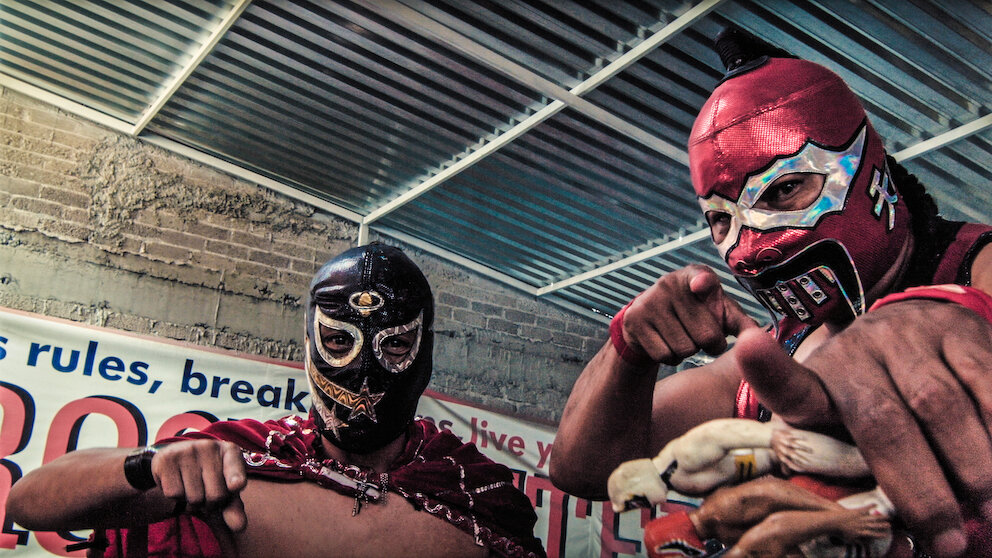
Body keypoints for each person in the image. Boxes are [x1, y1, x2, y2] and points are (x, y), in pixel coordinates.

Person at [550, 26, 992, 558]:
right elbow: (586, 470)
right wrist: (629, 345)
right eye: (721, 220)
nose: (748, 250)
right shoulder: (769, 359)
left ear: (873, 169)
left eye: (784, 189)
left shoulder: (976, 265)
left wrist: (952, 316)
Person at [6, 244, 547, 558]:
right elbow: (27, 503)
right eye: (337, 340)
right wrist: (148, 466)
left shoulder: (473, 489)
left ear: (423, 351)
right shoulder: (241, 458)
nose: (364, 370)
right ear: (310, 344)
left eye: (395, 345)